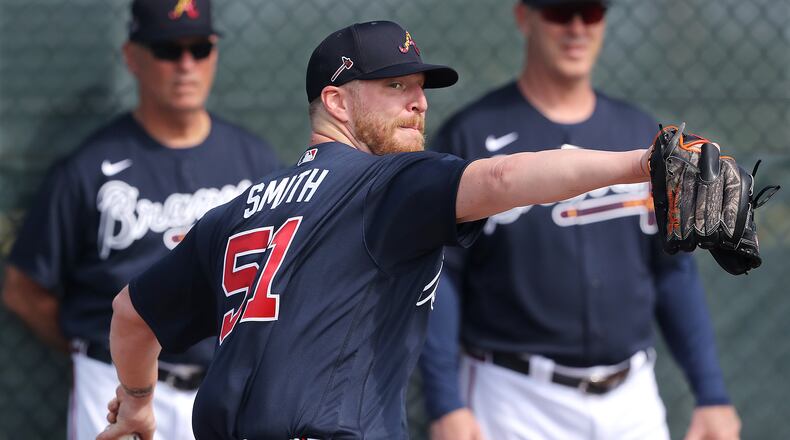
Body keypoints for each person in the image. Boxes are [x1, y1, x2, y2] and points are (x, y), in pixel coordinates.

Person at [97, 20, 676, 440]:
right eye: (395, 87)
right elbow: (502, 175)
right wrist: (640, 165)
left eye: (420, 87)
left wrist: (139, 400)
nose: (419, 103)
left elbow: (130, 314)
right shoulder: (381, 186)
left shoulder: (238, 211)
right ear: (336, 102)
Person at [419, 1, 741, 439]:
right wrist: (446, 403)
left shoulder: (642, 133)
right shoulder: (472, 133)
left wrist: (712, 394)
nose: (576, 29)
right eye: (559, 12)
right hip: (513, 399)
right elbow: (441, 277)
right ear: (523, 17)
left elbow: (673, 271)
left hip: (633, 400)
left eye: (590, 14)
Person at [0, 0, 279, 439]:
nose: (185, 65)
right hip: (112, 388)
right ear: (133, 57)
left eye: (199, 49)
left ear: (215, 54)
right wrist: (102, 345)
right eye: (168, 50)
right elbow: (24, 288)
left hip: (222, 387)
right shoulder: (90, 167)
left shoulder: (253, 159)